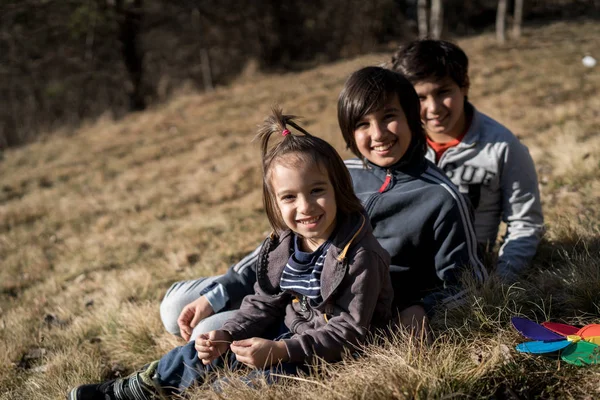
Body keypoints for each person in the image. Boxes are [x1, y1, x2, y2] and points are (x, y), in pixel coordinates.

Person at [67, 108, 394, 399]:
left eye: (317, 191)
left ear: (339, 188)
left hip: (332, 352)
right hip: (288, 335)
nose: (305, 207)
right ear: (276, 204)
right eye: (290, 197)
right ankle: (147, 385)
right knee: (202, 350)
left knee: (256, 383)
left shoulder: (358, 254)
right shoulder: (284, 244)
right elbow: (264, 303)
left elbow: (348, 331)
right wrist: (228, 334)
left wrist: (282, 351)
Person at [159, 66, 487, 342]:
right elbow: (283, 246)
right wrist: (218, 293)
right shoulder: (340, 173)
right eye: (362, 124)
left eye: (389, 117)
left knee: (207, 330)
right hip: (289, 284)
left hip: (334, 307)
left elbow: (469, 281)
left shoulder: (441, 197)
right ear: (349, 130)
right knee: (175, 309)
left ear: (412, 119)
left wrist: (424, 309)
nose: (378, 134)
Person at [390, 39, 545, 282]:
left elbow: (525, 223)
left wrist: (502, 279)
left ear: (464, 86)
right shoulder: (394, 144)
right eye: (420, 98)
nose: (433, 109)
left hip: (468, 277)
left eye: (443, 92)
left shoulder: (503, 147)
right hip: (404, 274)